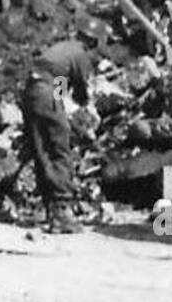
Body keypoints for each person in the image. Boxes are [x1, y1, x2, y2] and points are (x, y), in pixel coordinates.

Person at [19, 20, 107, 233]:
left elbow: (59, 83)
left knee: (42, 149)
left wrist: (59, 108)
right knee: (59, 148)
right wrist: (88, 111)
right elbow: (81, 91)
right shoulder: (79, 54)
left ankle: (51, 209)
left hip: (31, 92)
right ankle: (62, 210)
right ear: (93, 42)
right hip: (45, 92)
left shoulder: (61, 49)